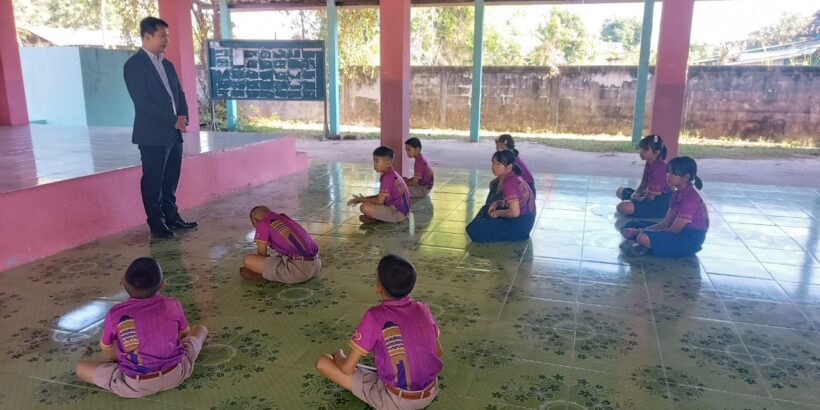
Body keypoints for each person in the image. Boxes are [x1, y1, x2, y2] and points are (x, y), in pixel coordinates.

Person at [315, 254, 443, 410]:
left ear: (379, 286)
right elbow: (438, 352)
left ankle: (339, 357)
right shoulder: (423, 309)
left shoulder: (375, 316)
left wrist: (338, 355)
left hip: (396, 401)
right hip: (430, 391)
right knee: (380, 369)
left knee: (323, 362)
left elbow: (347, 369)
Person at [74, 257, 207, 398]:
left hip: (135, 384)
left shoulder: (115, 314)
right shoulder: (172, 304)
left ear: (122, 281)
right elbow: (183, 335)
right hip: (176, 374)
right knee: (200, 330)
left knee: (81, 368)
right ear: (162, 285)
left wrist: (119, 359)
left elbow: (107, 350)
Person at [124, 17, 197, 238]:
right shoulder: (134, 66)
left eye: (167, 35)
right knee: (153, 180)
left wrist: (183, 116)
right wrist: (172, 119)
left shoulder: (167, 64)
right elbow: (143, 103)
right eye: (162, 35)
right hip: (152, 135)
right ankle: (156, 223)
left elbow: (179, 94)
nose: (166, 40)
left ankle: (172, 216)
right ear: (147, 36)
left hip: (173, 133)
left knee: (171, 177)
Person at [621, 156, 709, 257]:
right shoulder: (676, 194)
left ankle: (644, 244)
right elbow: (665, 223)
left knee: (642, 237)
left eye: (673, 173)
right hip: (674, 231)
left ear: (686, 177)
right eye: (668, 172)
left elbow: (674, 230)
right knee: (632, 224)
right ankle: (646, 245)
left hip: (688, 240)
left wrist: (639, 232)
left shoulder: (690, 199)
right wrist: (639, 230)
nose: (668, 176)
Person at [466, 150, 537, 243]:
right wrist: (498, 203)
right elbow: (516, 202)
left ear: (509, 166)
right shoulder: (513, 175)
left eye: (498, 164)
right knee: (486, 209)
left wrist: (497, 213)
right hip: (526, 221)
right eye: (493, 163)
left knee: (473, 229)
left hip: (520, 226)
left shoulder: (510, 183)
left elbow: (515, 213)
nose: (494, 167)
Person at [239, 205, 322, 283]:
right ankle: (271, 273)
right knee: (277, 258)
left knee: (248, 260)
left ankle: (261, 275)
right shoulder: (282, 217)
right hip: (317, 265)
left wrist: (256, 268)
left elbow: (261, 255)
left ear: (255, 220)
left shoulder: (262, 223)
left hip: (299, 271)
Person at [348, 146, 411, 224]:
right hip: (401, 210)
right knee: (368, 203)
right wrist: (364, 198)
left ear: (388, 163)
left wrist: (361, 200)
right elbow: (381, 196)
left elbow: (380, 201)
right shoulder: (392, 174)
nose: (374, 164)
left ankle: (375, 219)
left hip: (398, 214)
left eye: (377, 161)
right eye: (374, 161)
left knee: (365, 207)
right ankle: (377, 217)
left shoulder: (388, 177)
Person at [615, 135, 672, 218]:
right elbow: (644, 183)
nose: (641, 152)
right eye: (641, 148)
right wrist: (636, 193)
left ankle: (637, 208)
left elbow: (651, 197)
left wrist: (640, 198)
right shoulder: (649, 162)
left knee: (622, 207)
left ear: (656, 152)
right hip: (648, 195)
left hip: (659, 203)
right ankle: (634, 205)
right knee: (620, 191)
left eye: (645, 149)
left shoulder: (660, 168)